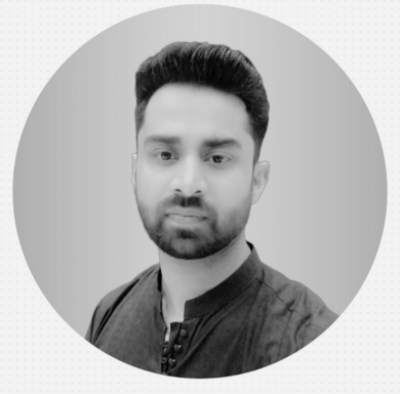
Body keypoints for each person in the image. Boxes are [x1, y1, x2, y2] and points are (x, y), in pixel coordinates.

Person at [85, 41, 338, 378]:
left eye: (217, 158)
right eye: (165, 155)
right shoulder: (108, 314)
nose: (188, 184)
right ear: (134, 172)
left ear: (257, 181)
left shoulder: (311, 343)